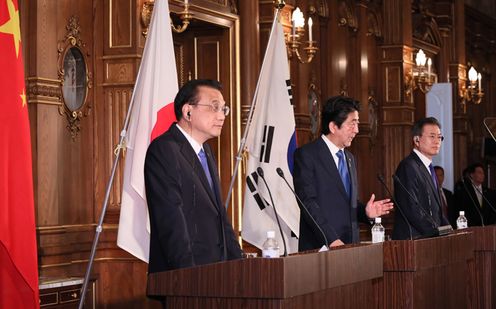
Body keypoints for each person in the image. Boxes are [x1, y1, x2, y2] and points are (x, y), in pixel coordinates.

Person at [144, 79, 242, 276]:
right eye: (214, 107)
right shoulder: (164, 150)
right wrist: (190, 277)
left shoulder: (205, 151)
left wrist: (241, 265)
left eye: (224, 109)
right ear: (188, 111)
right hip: (187, 277)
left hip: (216, 273)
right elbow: (171, 221)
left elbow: (220, 217)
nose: (222, 116)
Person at [293, 96, 393, 251]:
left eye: (357, 123)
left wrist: (366, 213)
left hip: (350, 246)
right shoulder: (307, 155)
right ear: (333, 127)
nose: (357, 130)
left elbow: (346, 202)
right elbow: (308, 204)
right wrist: (331, 239)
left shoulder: (350, 158)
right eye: (352, 124)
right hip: (321, 248)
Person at [392, 117, 450, 240]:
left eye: (439, 137)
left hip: (429, 239)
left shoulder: (428, 168)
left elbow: (437, 211)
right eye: (432, 136)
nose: (437, 141)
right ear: (417, 140)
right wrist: (436, 232)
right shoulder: (408, 166)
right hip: (413, 240)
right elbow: (411, 208)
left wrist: (448, 230)